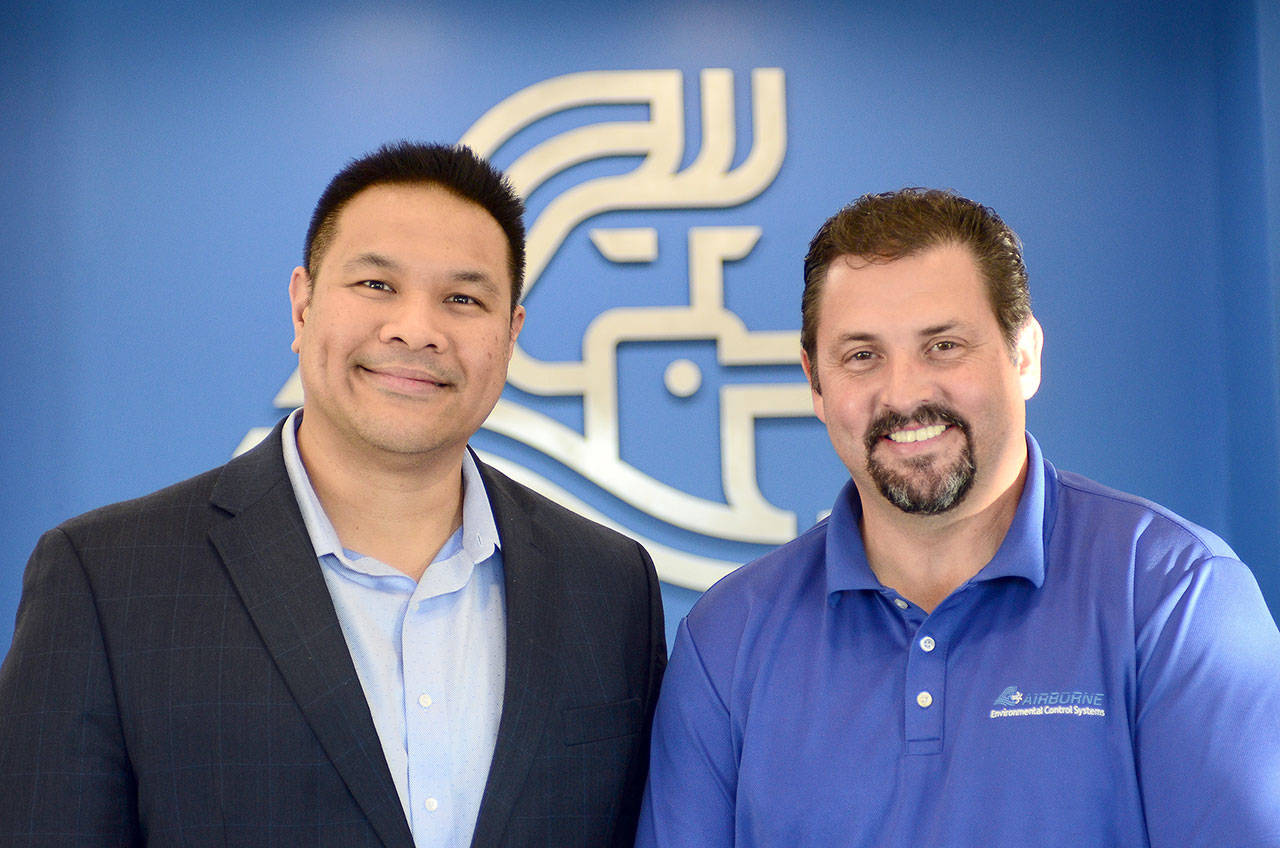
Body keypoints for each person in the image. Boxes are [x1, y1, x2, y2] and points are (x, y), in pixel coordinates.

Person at [0, 142, 666, 847]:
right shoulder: (106, 577)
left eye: (463, 299)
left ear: (511, 335)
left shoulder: (609, 585)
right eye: (377, 286)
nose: (417, 329)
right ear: (302, 304)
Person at [637, 188, 1280, 847]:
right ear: (815, 384)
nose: (906, 393)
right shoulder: (728, 638)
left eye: (943, 346)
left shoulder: (1176, 596)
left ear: (1023, 355)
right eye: (862, 356)